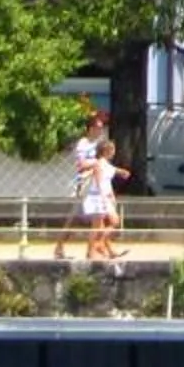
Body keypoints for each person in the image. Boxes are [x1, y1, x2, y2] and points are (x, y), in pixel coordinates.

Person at [55, 113, 111, 263]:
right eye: (98, 128)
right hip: (85, 186)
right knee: (83, 219)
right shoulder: (83, 144)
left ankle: (96, 249)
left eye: (102, 128)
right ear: (90, 128)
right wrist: (97, 163)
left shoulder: (99, 145)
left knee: (96, 218)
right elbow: (81, 165)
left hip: (95, 185)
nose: (101, 131)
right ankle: (90, 251)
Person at [81, 136, 130, 270]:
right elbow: (99, 181)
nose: (114, 152)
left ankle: (101, 245)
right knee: (97, 226)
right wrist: (104, 198)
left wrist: (122, 173)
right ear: (107, 151)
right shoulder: (98, 164)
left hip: (104, 197)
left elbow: (112, 172)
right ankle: (91, 251)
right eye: (112, 150)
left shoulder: (106, 165)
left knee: (113, 222)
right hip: (97, 197)